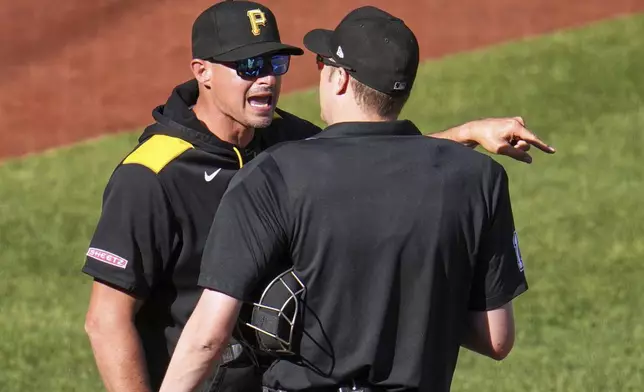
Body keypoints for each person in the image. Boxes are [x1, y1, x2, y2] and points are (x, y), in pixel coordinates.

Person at [83, 1, 551, 392]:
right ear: (202, 72)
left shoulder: (286, 139)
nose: (266, 79)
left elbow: (372, 161)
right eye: (249, 66)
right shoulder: (152, 175)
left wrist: (466, 133)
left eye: (275, 63)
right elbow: (106, 322)